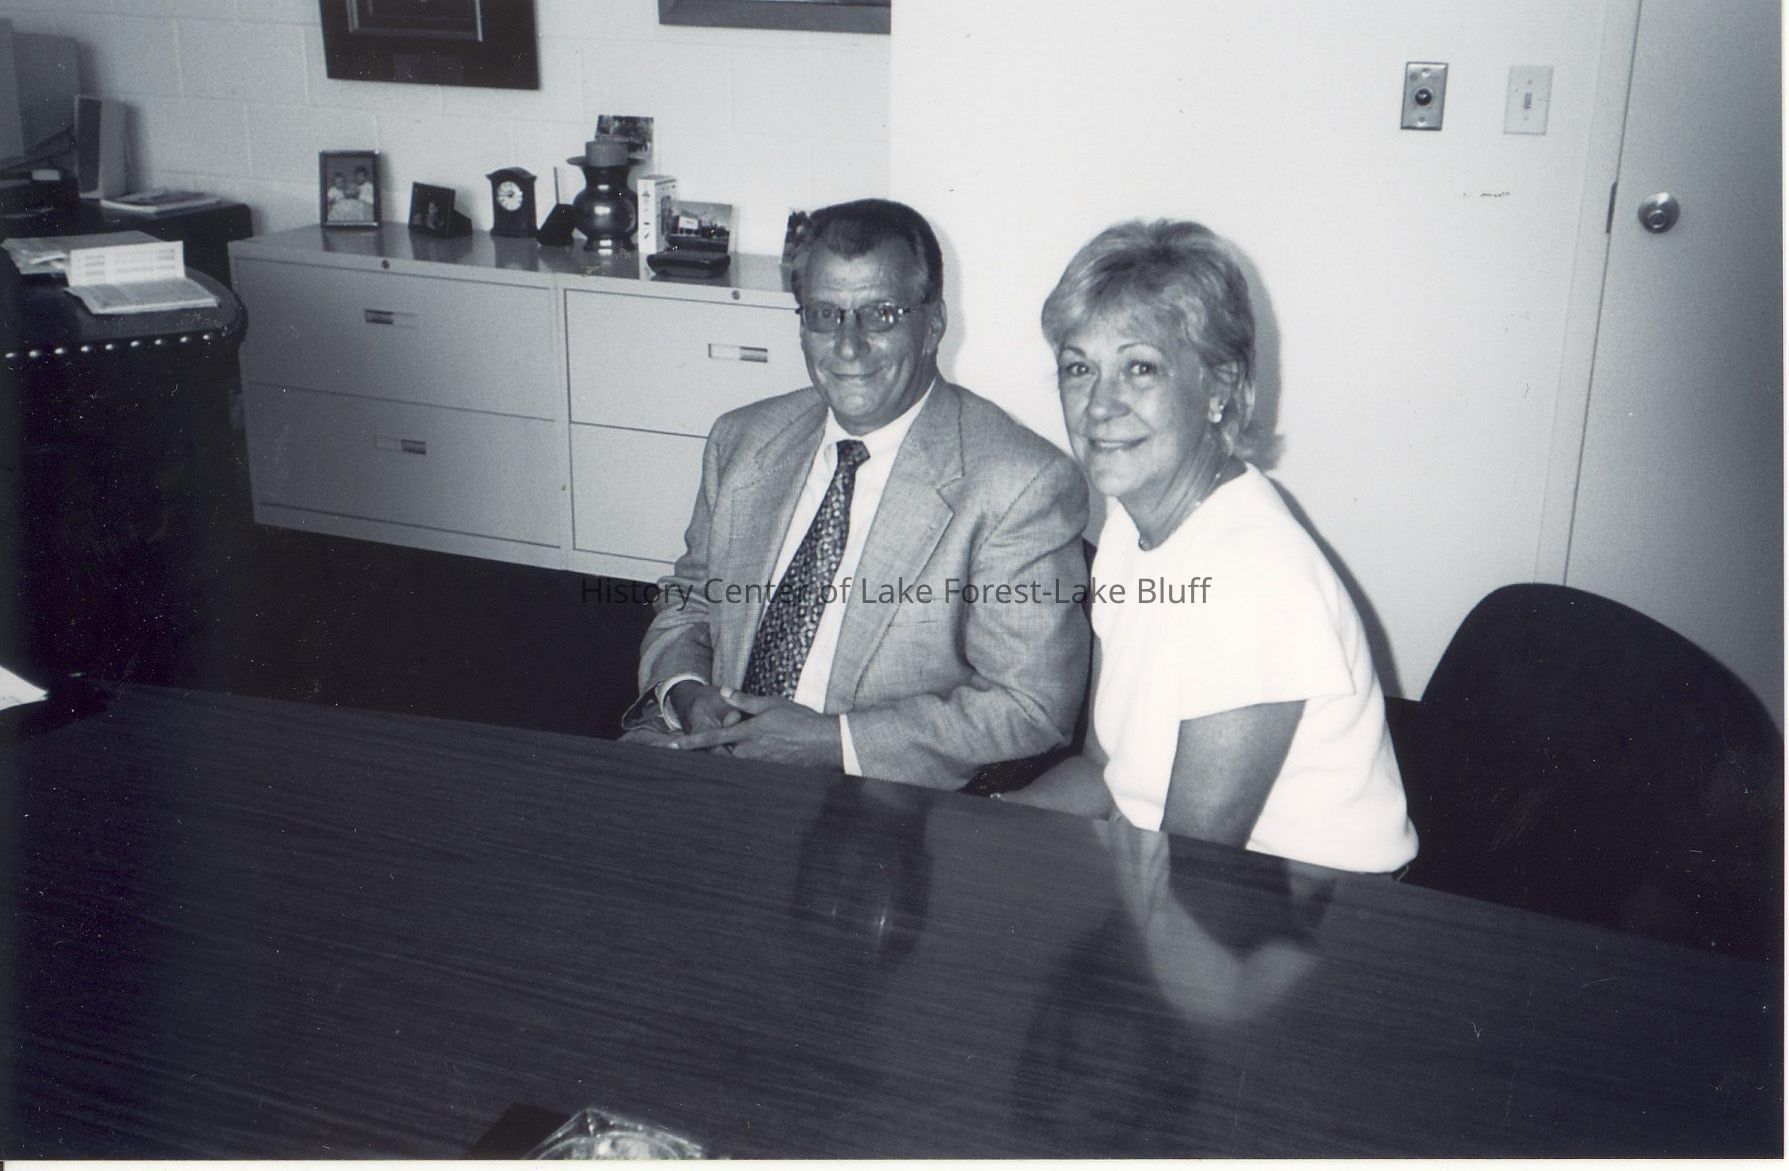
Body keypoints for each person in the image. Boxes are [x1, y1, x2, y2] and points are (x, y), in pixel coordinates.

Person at [623, 198, 1090, 789]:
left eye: (881, 315)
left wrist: (833, 742)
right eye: (825, 314)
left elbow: (1031, 705)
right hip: (704, 757)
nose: (848, 345)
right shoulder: (741, 440)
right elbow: (691, 599)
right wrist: (685, 690)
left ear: (934, 325)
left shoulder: (1019, 483)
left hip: (874, 797)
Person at [1009, 219, 1417, 874]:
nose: (1099, 406)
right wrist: (980, 824)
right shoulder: (1129, 524)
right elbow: (1103, 771)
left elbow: (1191, 864)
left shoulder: (1253, 576)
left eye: (1140, 368)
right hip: (1183, 875)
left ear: (1219, 389)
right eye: (1079, 368)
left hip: (1314, 907)